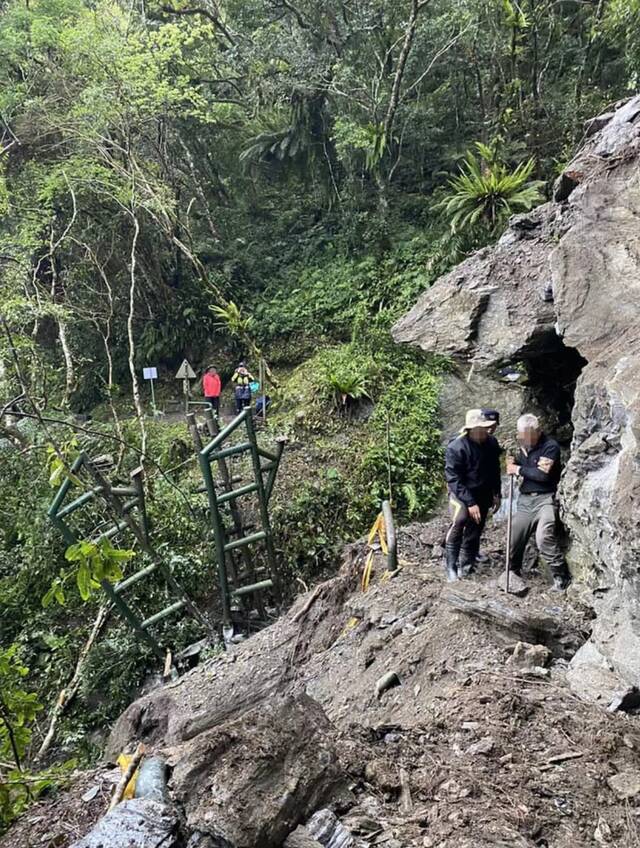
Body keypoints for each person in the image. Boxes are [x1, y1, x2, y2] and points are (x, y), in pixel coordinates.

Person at [506, 414, 572, 591]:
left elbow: (542, 475)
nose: (528, 439)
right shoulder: (521, 445)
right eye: (523, 435)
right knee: (514, 536)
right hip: (525, 501)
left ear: (538, 431)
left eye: (531, 435)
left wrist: (517, 469)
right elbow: (519, 464)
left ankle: (560, 576)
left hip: (545, 499)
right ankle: (513, 572)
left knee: (543, 537)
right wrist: (512, 462)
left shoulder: (550, 446)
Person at [444, 409, 502, 582]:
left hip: (482, 492)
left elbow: (495, 470)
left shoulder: (491, 443)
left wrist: (497, 493)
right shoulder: (456, 447)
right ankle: (451, 567)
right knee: (460, 521)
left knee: (476, 526)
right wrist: (469, 503)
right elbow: (453, 478)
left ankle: (467, 564)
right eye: (481, 429)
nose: (486, 431)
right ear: (471, 429)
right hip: (461, 493)